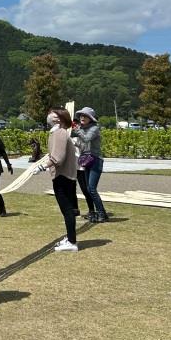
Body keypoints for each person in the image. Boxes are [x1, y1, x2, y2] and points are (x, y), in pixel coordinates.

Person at [43, 107, 79, 252]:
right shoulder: (57, 133)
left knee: (67, 210)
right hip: (64, 176)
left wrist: (43, 167)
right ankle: (71, 238)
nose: (49, 116)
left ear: (58, 118)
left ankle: (72, 242)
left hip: (62, 176)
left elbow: (57, 157)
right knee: (67, 210)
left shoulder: (59, 133)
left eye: (52, 114)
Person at [72, 107, 107, 222]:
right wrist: (73, 142)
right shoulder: (83, 129)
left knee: (91, 188)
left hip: (95, 160)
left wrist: (76, 129)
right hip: (87, 160)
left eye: (85, 116)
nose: (82, 117)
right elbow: (83, 146)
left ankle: (102, 214)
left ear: (90, 118)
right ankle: (96, 213)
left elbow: (87, 139)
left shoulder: (94, 128)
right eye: (81, 115)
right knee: (88, 188)